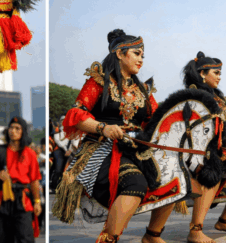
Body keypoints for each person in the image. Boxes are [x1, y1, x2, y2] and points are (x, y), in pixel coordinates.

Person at [52, 30, 174, 243]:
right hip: (103, 148)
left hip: (136, 149)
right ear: (119, 53)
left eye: (142, 55)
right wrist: (103, 128)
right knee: (135, 183)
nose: (141, 60)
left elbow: (157, 122)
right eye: (136, 53)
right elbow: (76, 116)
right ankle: (109, 239)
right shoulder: (99, 81)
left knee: (172, 181)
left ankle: (152, 235)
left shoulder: (144, 90)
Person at [181, 52, 226, 241]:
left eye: (220, 73)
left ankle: (224, 221)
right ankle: (195, 230)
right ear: (202, 73)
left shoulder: (217, 96)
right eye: (216, 73)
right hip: (195, 149)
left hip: (217, 148)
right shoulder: (194, 95)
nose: (219, 76)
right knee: (212, 172)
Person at [0, 117, 42, 243]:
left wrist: (37, 201)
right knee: (0, 238)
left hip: (22, 200)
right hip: (2, 199)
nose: (13, 131)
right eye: (11, 127)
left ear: (23, 131)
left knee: (25, 238)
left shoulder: (30, 153)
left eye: (17, 128)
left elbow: (34, 180)